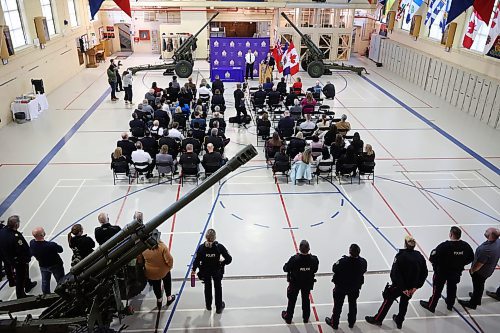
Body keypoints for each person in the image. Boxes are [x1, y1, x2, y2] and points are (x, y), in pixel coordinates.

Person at [366, 236, 428, 329]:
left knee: (388, 299)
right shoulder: (419, 256)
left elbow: (395, 274)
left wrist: (403, 288)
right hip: (411, 287)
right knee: (404, 303)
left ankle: (378, 319)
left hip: (399, 286)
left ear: (405, 245)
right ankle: (399, 320)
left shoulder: (400, 256)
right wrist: (416, 286)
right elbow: (424, 272)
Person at [420, 227, 474, 313]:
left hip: (441, 272)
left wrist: (437, 266)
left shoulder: (444, 246)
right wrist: (461, 263)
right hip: (456, 272)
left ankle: (431, 306)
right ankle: (450, 304)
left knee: (437, 290)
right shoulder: (465, 246)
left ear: (451, 234)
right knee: (452, 287)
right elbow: (471, 258)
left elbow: (432, 258)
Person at [325, 244, 367, 330]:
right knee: (352, 304)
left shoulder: (343, 261)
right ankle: (351, 322)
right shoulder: (363, 262)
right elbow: (364, 270)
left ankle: (334, 323)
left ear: (349, 251)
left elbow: (334, 268)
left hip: (341, 287)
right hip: (354, 287)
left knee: (337, 306)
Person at [458, 227, 500, 309]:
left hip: (481, 272)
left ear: (491, 236)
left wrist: (472, 270)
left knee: (478, 286)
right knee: (480, 286)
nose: (485, 231)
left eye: (487, 231)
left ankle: (473, 303)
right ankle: (477, 298)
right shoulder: (498, 242)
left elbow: (479, 264)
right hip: (489, 269)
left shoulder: (485, 250)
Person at [192, 229, 232, 313]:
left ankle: (208, 305)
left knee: (207, 287)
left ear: (206, 237)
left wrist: (194, 269)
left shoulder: (201, 248)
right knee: (218, 288)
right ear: (215, 237)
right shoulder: (219, 247)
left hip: (205, 271)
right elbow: (229, 259)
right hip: (216, 271)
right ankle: (218, 307)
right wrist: (222, 263)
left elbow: (196, 260)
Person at [281, 240, 319, 324]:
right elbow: (315, 270)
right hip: (307, 283)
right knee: (306, 299)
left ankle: (288, 318)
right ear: (309, 249)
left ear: (299, 249)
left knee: (292, 300)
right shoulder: (314, 259)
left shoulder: (294, 259)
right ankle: (306, 318)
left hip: (295, 283)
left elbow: (285, 268)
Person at [0, 215, 37, 298]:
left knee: (11, 270)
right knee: (21, 276)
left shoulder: (2, 232)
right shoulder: (16, 237)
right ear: (16, 225)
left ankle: (12, 282)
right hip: (18, 261)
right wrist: (27, 258)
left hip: (7, 258)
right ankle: (21, 294)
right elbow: (22, 249)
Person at [138, 228, 175, 308]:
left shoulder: (143, 248)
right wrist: (169, 267)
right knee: (167, 282)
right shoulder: (162, 247)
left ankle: (159, 300)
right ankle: (169, 298)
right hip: (163, 271)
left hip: (151, 273)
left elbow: (140, 261)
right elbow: (169, 260)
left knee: (156, 286)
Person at [29, 227, 65, 294]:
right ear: (42, 235)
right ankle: (63, 292)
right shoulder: (50, 245)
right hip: (55, 265)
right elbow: (60, 250)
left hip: (43, 266)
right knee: (60, 280)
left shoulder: (32, 243)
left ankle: (46, 294)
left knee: (45, 281)